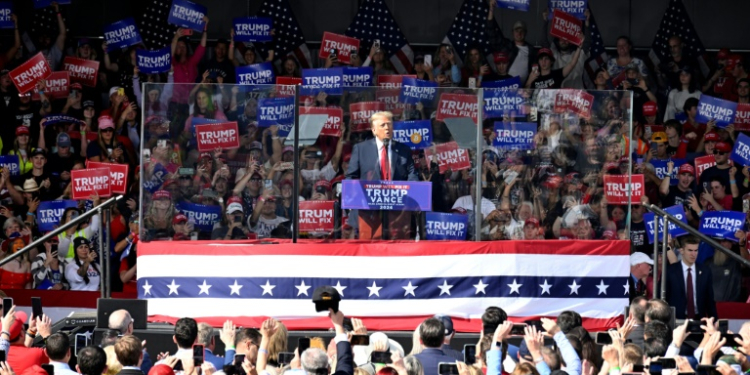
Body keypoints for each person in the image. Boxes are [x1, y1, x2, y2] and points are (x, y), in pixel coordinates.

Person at [345, 111, 417, 239]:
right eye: (383, 125)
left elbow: (412, 175)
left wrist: (413, 192)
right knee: (370, 251)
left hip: (398, 211)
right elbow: (351, 177)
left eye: (389, 125)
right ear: (374, 130)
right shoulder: (361, 149)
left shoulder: (403, 150)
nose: (387, 128)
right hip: (368, 210)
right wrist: (353, 198)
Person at [664, 235, 717, 319]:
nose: (693, 254)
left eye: (696, 250)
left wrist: (714, 319)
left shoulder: (705, 271)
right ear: (681, 251)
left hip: (698, 319)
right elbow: (664, 297)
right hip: (676, 319)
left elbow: (709, 298)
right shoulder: (670, 271)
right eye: (690, 250)